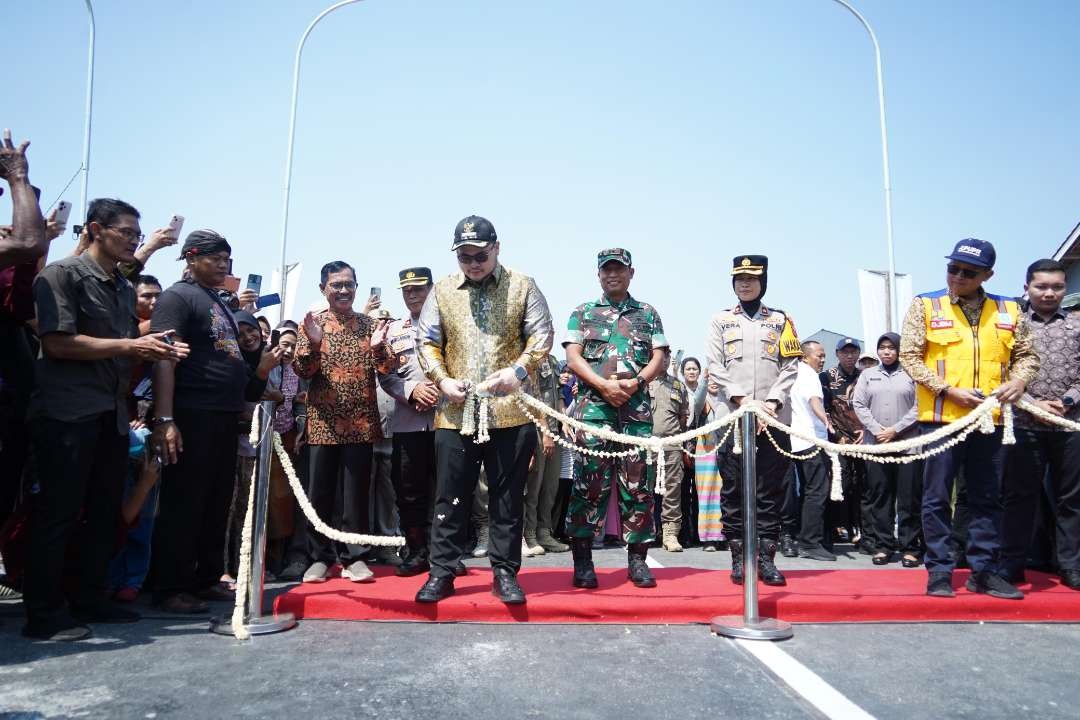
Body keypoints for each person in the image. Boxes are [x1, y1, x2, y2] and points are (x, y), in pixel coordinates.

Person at [25, 198, 187, 640]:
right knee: (58, 512)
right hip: (67, 412)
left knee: (102, 512)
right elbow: (58, 343)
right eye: (127, 235)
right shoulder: (61, 275)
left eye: (138, 236)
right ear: (96, 229)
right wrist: (132, 348)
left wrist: (153, 344)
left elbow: (122, 340)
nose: (134, 242)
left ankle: (89, 597)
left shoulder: (119, 284)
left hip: (111, 415)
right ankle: (44, 612)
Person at [414, 215, 553, 604]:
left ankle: (505, 573)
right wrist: (441, 380)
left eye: (480, 255)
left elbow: (542, 335)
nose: (473, 264)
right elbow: (426, 341)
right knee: (450, 497)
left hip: (511, 413)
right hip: (456, 413)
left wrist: (518, 371)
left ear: (497, 248)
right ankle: (441, 572)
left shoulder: (522, 286)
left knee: (507, 499)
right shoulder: (441, 291)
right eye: (465, 257)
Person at [899, 238, 1038, 599]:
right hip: (942, 417)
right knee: (936, 497)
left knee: (987, 497)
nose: (957, 276)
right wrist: (947, 389)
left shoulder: (1009, 310)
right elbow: (910, 357)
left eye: (968, 272)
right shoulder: (926, 305)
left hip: (988, 419)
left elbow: (1028, 356)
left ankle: (983, 570)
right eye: (953, 268)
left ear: (987, 275)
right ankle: (940, 571)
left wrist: (1020, 381)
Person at [149, 230, 255, 614]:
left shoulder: (217, 300)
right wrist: (165, 418)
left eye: (228, 260)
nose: (224, 266)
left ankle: (206, 578)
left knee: (216, 500)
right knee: (185, 501)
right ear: (191, 259)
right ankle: (170, 586)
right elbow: (164, 356)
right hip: (191, 413)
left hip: (223, 416)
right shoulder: (176, 297)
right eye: (216, 260)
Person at [563, 248, 668, 589]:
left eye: (619, 270)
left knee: (637, 487)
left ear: (631, 273)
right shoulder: (583, 312)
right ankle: (583, 563)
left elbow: (659, 356)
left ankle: (637, 561)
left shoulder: (648, 313)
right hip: (594, 409)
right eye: (606, 270)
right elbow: (573, 356)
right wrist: (602, 386)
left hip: (635, 411)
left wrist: (636, 382)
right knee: (589, 484)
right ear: (598, 275)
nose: (613, 275)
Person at [706, 255, 800, 586]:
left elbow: (791, 366)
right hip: (733, 416)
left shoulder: (781, 319)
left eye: (751, 278)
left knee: (770, 490)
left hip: (772, 420)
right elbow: (714, 364)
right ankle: (738, 559)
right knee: (732, 489)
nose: (744, 283)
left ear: (764, 282)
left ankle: (766, 558)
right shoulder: (720, 320)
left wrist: (771, 403)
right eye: (739, 278)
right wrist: (743, 401)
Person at [295, 261, 387, 584]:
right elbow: (302, 371)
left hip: (361, 425)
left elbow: (388, 368)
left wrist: (379, 350)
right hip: (323, 425)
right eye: (336, 285)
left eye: (349, 284)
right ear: (323, 289)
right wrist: (315, 344)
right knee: (319, 494)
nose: (344, 290)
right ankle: (319, 558)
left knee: (356, 495)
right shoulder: (311, 325)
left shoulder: (370, 325)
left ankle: (355, 557)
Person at [1001, 260, 1080, 590]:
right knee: (1020, 496)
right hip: (1023, 423)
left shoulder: (1077, 325)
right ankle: (1012, 564)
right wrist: (1032, 404)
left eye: (1057, 287)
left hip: (1071, 425)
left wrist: (1069, 401)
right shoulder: (1010, 326)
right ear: (1026, 288)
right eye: (1041, 286)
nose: (1049, 293)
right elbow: (1001, 371)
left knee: (1072, 499)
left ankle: (1071, 565)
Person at [375, 267, 441, 576]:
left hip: (445, 421)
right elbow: (384, 375)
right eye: (407, 290)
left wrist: (438, 392)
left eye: (419, 288)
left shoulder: (449, 326)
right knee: (409, 491)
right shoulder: (391, 331)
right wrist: (412, 391)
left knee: (448, 490)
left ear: (431, 289)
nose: (412, 295)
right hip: (407, 421)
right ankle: (416, 551)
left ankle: (446, 554)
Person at [852, 332, 923, 567]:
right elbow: (859, 404)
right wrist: (877, 429)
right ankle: (883, 546)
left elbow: (920, 405)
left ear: (900, 350)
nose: (887, 352)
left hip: (907, 445)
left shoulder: (912, 373)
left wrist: (896, 429)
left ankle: (910, 547)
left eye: (891, 348)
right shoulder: (868, 375)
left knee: (908, 499)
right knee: (880, 497)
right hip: (877, 445)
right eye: (882, 347)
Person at [789, 341, 835, 561]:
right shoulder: (809, 376)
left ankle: (806, 538)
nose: (823, 359)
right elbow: (814, 400)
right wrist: (825, 418)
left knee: (808, 491)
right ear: (806, 357)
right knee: (817, 491)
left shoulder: (793, 373)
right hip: (810, 439)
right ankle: (810, 542)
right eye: (820, 355)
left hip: (797, 440)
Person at [821, 337, 866, 549]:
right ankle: (833, 528)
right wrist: (837, 435)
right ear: (837, 354)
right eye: (845, 352)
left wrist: (866, 431)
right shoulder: (826, 377)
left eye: (853, 352)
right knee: (840, 483)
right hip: (837, 440)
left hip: (864, 439)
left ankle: (859, 528)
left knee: (863, 485)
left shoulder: (866, 376)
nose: (849, 356)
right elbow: (824, 409)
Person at [523, 353, 569, 554]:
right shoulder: (528, 360)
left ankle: (544, 533)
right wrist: (545, 433)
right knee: (534, 487)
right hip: (536, 430)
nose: (548, 336)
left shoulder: (552, 360)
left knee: (550, 486)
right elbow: (530, 398)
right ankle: (529, 534)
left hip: (554, 431)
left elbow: (559, 395)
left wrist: (564, 420)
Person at [649, 350, 690, 552]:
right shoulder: (641, 381)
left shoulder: (678, 386)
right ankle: (644, 531)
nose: (664, 360)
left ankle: (670, 533)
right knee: (641, 489)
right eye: (660, 355)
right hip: (646, 444)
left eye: (667, 356)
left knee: (673, 490)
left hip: (672, 444)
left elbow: (683, 417)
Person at [695, 377, 726, 551]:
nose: (714, 382)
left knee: (726, 491)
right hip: (705, 448)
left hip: (727, 447)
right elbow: (696, 402)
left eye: (717, 378)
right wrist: (704, 382)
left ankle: (727, 535)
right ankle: (709, 539)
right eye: (710, 379)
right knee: (707, 494)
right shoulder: (703, 399)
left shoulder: (727, 399)